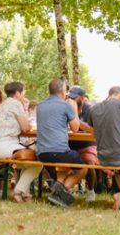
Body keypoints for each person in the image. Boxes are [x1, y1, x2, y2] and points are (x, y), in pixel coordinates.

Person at [0, 81, 40, 203]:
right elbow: (26, 128)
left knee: (26, 162)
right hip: (1, 146)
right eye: (23, 92)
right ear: (17, 93)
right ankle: (18, 191)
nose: (24, 95)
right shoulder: (16, 104)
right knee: (38, 162)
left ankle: (25, 194)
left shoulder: (2, 105)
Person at [35, 78, 88, 207]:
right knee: (84, 169)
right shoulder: (65, 105)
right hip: (59, 151)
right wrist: (73, 108)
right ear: (63, 91)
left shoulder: (40, 106)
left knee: (63, 167)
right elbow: (75, 129)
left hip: (42, 153)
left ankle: (58, 193)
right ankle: (59, 193)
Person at [66, 85, 98, 202]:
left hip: (87, 144)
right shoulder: (66, 107)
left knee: (89, 162)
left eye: (75, 97)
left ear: (83, 98)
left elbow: (93, 130)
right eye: (70, 97)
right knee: (61, 161)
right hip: (70, 143)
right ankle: (67, 188)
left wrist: (75, 119)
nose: (72, 100)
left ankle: (90, 190)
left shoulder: (90, 110)